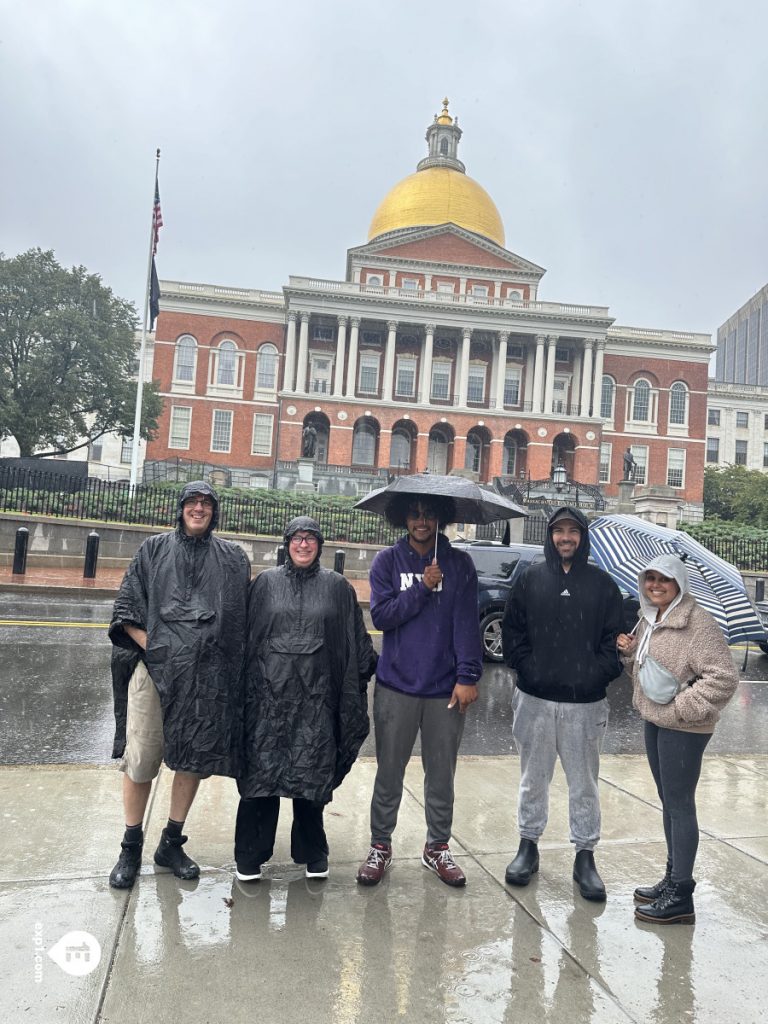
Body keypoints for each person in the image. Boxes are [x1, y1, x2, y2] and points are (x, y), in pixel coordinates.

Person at [108, 481, 250, 889]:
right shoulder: (152, 551)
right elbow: (127, 609)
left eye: (206, 503)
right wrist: (157, 650)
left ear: (214, 511)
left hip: (203, 677)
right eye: (193, 502)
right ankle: (130, 845)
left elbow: (239, 621)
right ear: (181, 508)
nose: (199, 508)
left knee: (193, 757)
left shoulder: (231, 559)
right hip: (155, 672)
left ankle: (171, 841)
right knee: (142, 757)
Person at [235, 516, 376, 881]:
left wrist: (368, 668)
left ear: (320, 544)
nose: (303, 544)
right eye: (297, 538)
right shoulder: (265, 583)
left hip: (317, 699)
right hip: (267, 697)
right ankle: (251, 852)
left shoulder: (337, 588)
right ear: (286, 543)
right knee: (261, 774)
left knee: (310, 774)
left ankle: (312, 849)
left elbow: (353, 641)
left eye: (310, 538)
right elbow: (244, 638)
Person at [356, 494, 482, 888]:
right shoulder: (387, 562)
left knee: (441, 773)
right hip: (396, 685)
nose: (422, 521)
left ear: (440, 518)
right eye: (414, 514)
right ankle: (380, 845)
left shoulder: (459, 564)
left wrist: (468, 676)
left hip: (444, 688)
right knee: (389, 772)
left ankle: (437, 846)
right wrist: (423, 587)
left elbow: (466, 623)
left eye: (429, 514)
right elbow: (382, 616)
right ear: (403, 518)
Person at [502, 506, 624, 901]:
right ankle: (528, 846)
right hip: (535, 698)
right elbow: (512, 631)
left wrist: (595, 674)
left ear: (582, 537)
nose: (566, 538)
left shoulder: (603, 585)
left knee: (584, 783)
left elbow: (614, 642)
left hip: (585, 704)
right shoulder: (531, 579)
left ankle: (585, 855)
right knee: (532, 780)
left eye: (573, 531)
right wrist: (527, 669)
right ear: (550, 536)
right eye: (559, 532)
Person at [616, 553, 738, 924]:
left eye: (664, 580)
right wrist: (630, 652)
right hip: (656, 719)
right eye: (650, 578)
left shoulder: (697, 623)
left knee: (680, 804)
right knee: (668, 802)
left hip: (684, 727)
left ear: (679, 583)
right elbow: (652, 672)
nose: (655, 585)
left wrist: (682, 707)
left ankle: (681, 896)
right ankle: (672, 877)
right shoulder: (650, 618)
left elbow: (724, 678)